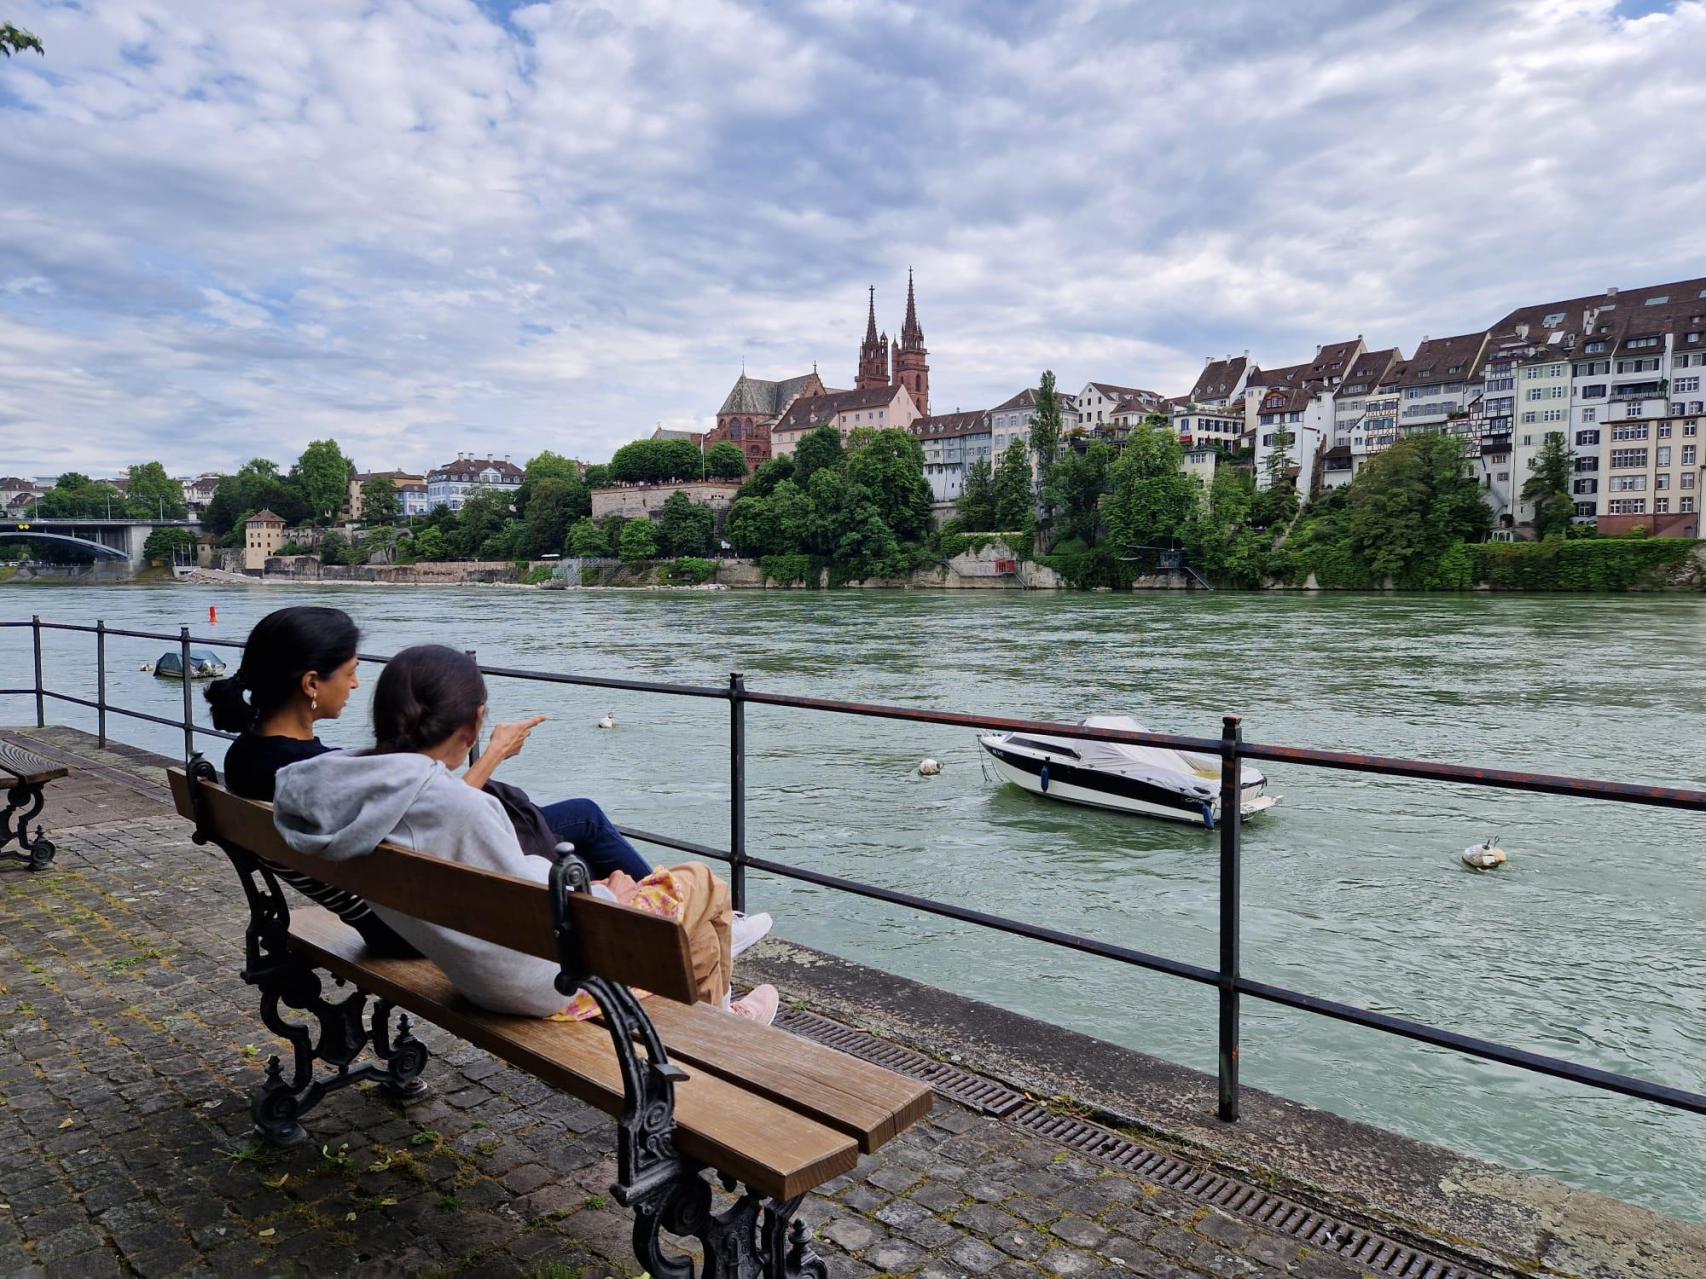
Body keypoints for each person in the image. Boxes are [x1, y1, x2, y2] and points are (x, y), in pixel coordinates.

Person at [270, 644, 777, 1023]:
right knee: (699, 881)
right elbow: (544, 911)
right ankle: (721, 1028)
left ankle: (720, 1007)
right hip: (538, 983)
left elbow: (513, 888)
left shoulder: (332, 788)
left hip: (473, 970)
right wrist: (606, 893)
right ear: (473, 726)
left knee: (687, 915)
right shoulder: (460, 807)